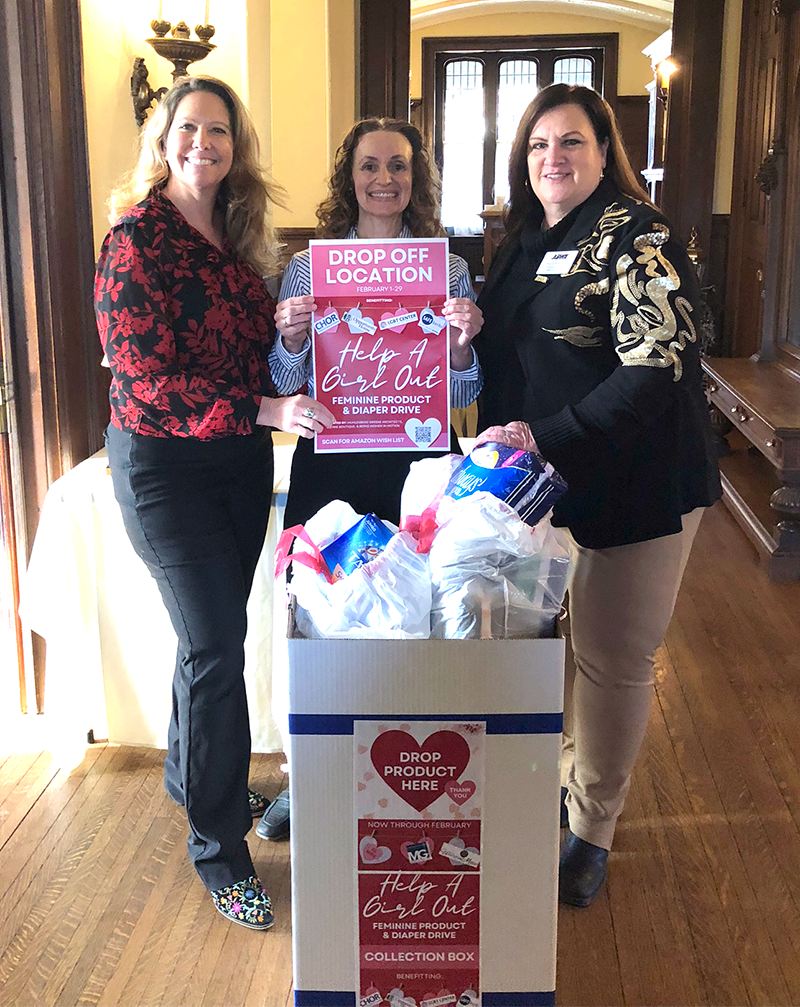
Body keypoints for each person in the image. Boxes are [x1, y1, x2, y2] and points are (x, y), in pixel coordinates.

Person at [94, 75, 333, 930]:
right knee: (215, 646)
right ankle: (220, 847)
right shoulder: (135, 241)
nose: (205, 143)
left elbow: (255, 350)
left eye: (220, 132)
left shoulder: (236, 238)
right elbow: (147, 383)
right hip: (164, 469)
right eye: (188, 129)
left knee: (210, 639)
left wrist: (294, 332)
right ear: (162, 140)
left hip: (234, 465)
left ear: (237, 147)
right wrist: (266, 410)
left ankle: (194, 776)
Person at [474, 84, 721, 908]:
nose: (555, 158)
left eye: (572, 142)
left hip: (636, 477)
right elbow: (502, 339)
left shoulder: (638, 236)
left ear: (603, 150)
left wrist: (543, 434)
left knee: (613, 657)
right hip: (546, 484)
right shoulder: (520, 237)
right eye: (540, 144)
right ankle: (571, 776)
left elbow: (654, 369)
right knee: (558, 641)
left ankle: (593, 828)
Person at [255, 117, 484, 843]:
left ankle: (419, 764)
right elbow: (284, 384)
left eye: (398, 166)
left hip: (418, 459)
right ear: (347, 177)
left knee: (419, 606)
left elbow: (462, 390)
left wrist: (463, 342)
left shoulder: (445, 268)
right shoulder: (306, 267)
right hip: (333, 455)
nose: (384, 178)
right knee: (318, 614)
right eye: (369, 166)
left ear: (417, 178)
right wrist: (290, 336)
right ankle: (308, 775)